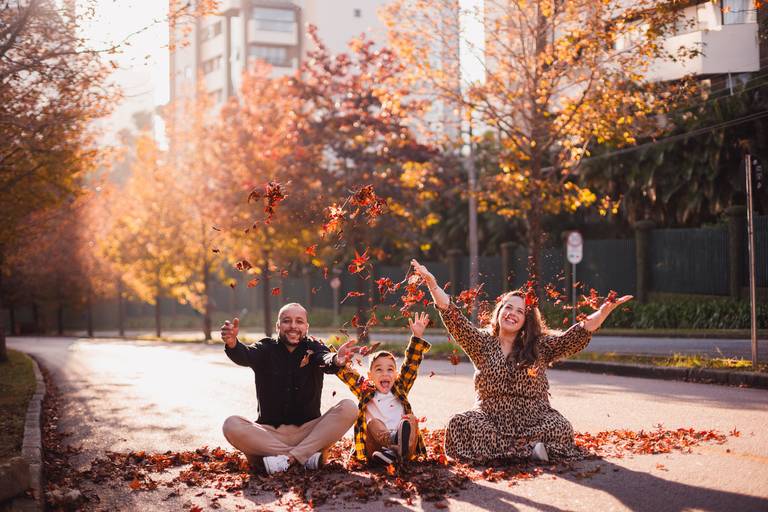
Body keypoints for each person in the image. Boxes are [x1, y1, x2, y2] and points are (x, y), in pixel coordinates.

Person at [410, 259, 632, 463]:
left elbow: (572, 337)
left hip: (535, 420)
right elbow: (453, 315)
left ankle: (514, 451)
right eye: (508, 307)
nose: (512, 313)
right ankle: (530, 451)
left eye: (520, 311)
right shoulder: (481, 342)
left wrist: (602, 313)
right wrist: (432, 284)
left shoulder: (538, 346)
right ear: (499, 312)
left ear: (526, 320)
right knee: (459, 424)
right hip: (491, 419)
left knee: (560, 427)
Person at [220, 302, 359, 474]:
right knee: (231, 424)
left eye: (299, 321)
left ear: (306, 327)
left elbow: (326, 359)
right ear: (278, 326)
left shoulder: (314, 348)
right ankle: (303, 458)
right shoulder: (265, 348)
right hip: (270, 435)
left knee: (349, 407)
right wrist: (233, 343)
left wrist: (337, 360)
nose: (293, 326)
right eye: (287, 321)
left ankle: (285, 460)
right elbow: (245, 355)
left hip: (309, 433)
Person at [334, 312, 432, 466]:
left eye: (390, 370)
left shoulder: (400, 388)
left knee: (411, 419)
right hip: (376, 447)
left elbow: (411, 365)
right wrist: (339, 360)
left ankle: (395, 454)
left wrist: (417, 337)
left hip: (406, 445)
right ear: (370, 375)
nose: (385, 373)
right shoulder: (366, 390)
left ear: (396, 374)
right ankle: (391, 448)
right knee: (373, 422)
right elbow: (349, 376)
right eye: (379, 370)